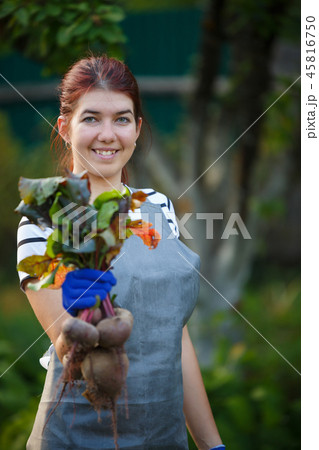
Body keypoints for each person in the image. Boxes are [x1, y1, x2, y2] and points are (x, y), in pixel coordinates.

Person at [17, 55, 225, 449]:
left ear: (138, 128)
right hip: (76, 437)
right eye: (91, 118)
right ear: (65, 127)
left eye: (122, 119)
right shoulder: (44, 217)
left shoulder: (158, 207)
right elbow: (68, 352)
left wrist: (212, 444)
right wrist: (83, 314)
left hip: (163, 438)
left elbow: (175, 338)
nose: (108, 134)